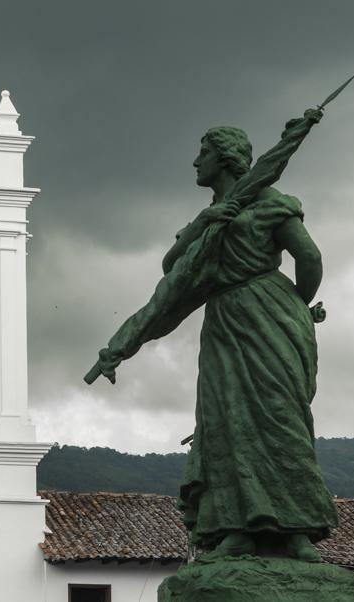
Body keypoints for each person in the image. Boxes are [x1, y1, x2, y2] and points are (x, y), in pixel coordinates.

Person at [86, 110, 338, 561]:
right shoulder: (210, 219)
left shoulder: (269, 202)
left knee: (281, 418)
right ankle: (235, 527)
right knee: (226, 424)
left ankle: (297, 528)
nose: (195, 161)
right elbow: (172, 269)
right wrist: (207, 223)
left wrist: (296, 306)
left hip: (271, 316)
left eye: (203, 152)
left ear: (224, 160)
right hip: (228, 325)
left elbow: (310, 256)